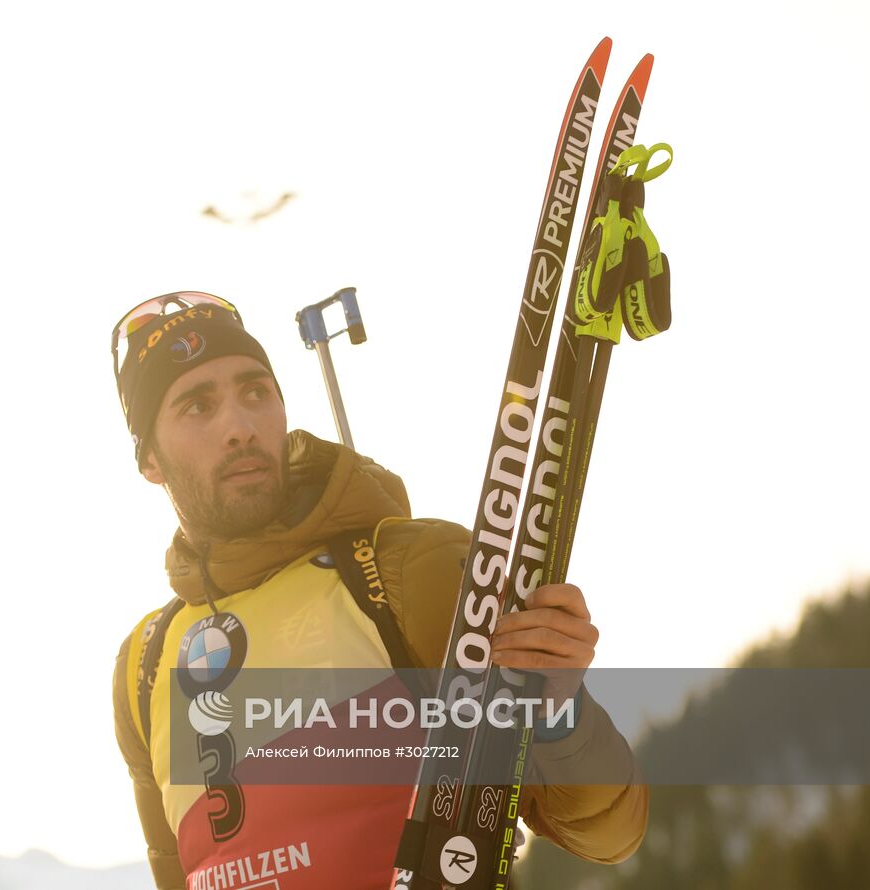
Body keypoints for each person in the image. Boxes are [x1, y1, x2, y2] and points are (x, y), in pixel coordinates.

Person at [109, 291, 647, 890]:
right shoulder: (146, 664)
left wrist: (560, 711)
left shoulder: (410, 573)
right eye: (197, 406)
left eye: (256, 392)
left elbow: (608, 831)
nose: (239, 427)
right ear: (150, 459)